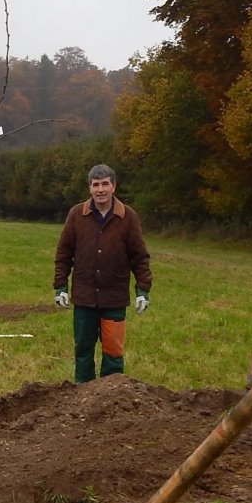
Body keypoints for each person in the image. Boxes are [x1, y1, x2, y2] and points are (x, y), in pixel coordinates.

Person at [53, 164, 153, 383]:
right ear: (89, 188)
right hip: (84, 297)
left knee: (113, 353)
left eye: (105, 184)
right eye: (95, 185)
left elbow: (139, 256)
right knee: (83, 351)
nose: (100, 190)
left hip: (114, 298)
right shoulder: (77, 214)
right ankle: (83, 393)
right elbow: (64, 252)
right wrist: (60, 287)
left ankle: (111, 396)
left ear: (113, 187)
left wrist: (142, 290)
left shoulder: (127, 217)